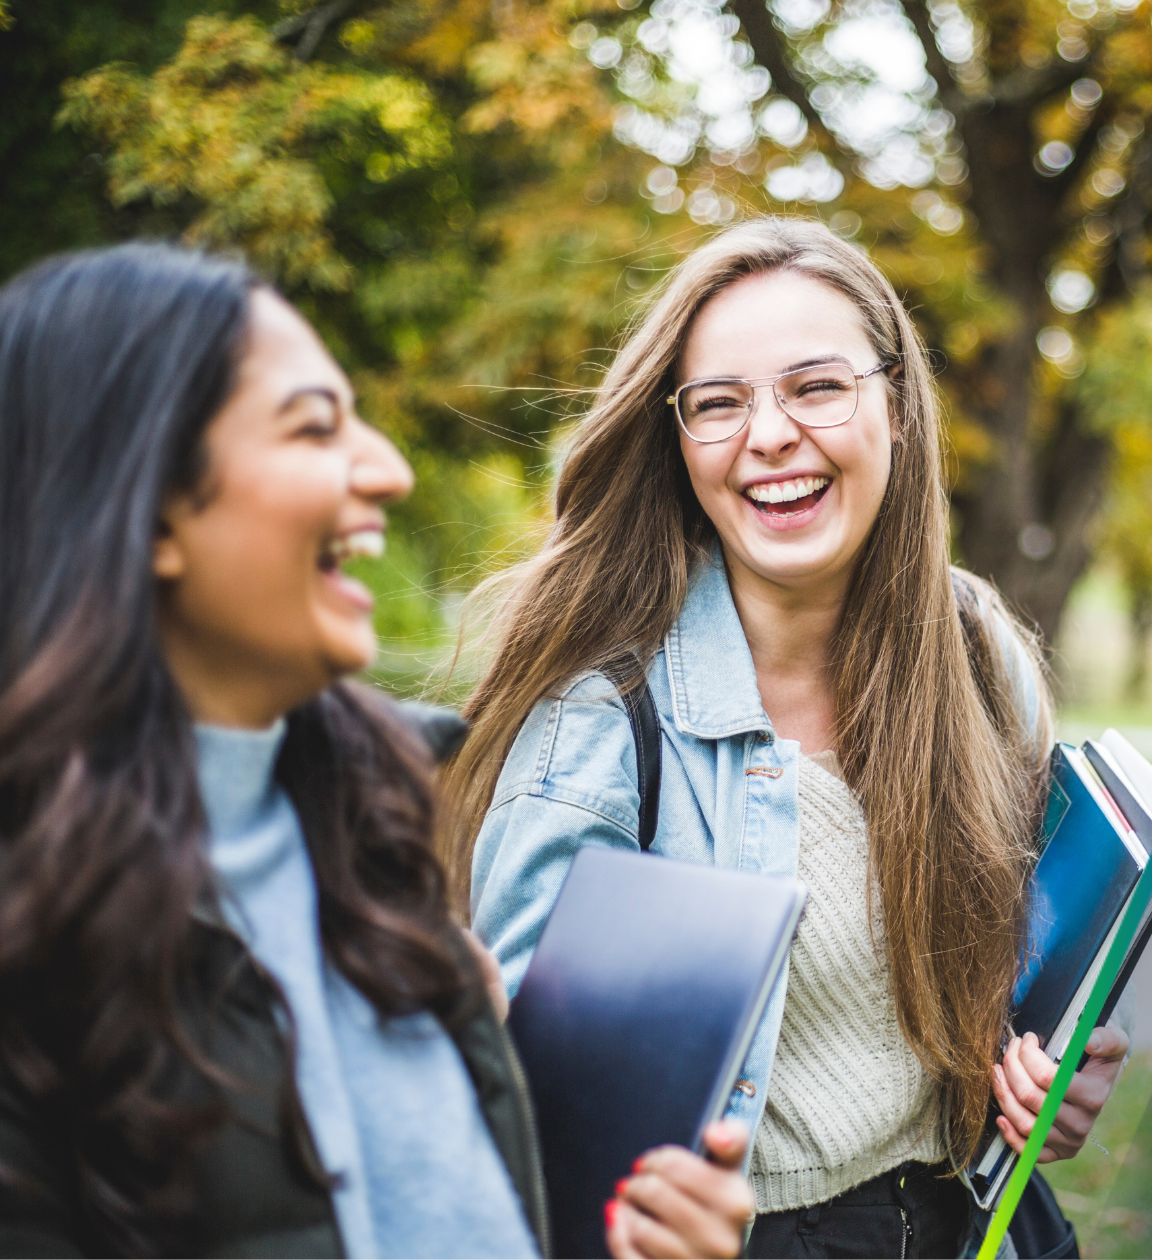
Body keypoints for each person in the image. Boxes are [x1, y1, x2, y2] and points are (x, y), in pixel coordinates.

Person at [0, 243, 754, 1259]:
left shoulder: (373, 844)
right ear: (142, 504)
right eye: (315, 427)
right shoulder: (32, 940)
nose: (387, 470)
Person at [449, 218, 1125, 1258]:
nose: (768, 435)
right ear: (679, 445)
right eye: (718, 404)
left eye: (815, 387)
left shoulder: (980, 655)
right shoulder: (600, 724)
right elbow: (516, 1135)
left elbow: (1008, 980)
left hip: (991, 1229)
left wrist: (1046, 1080)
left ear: (895, 407)